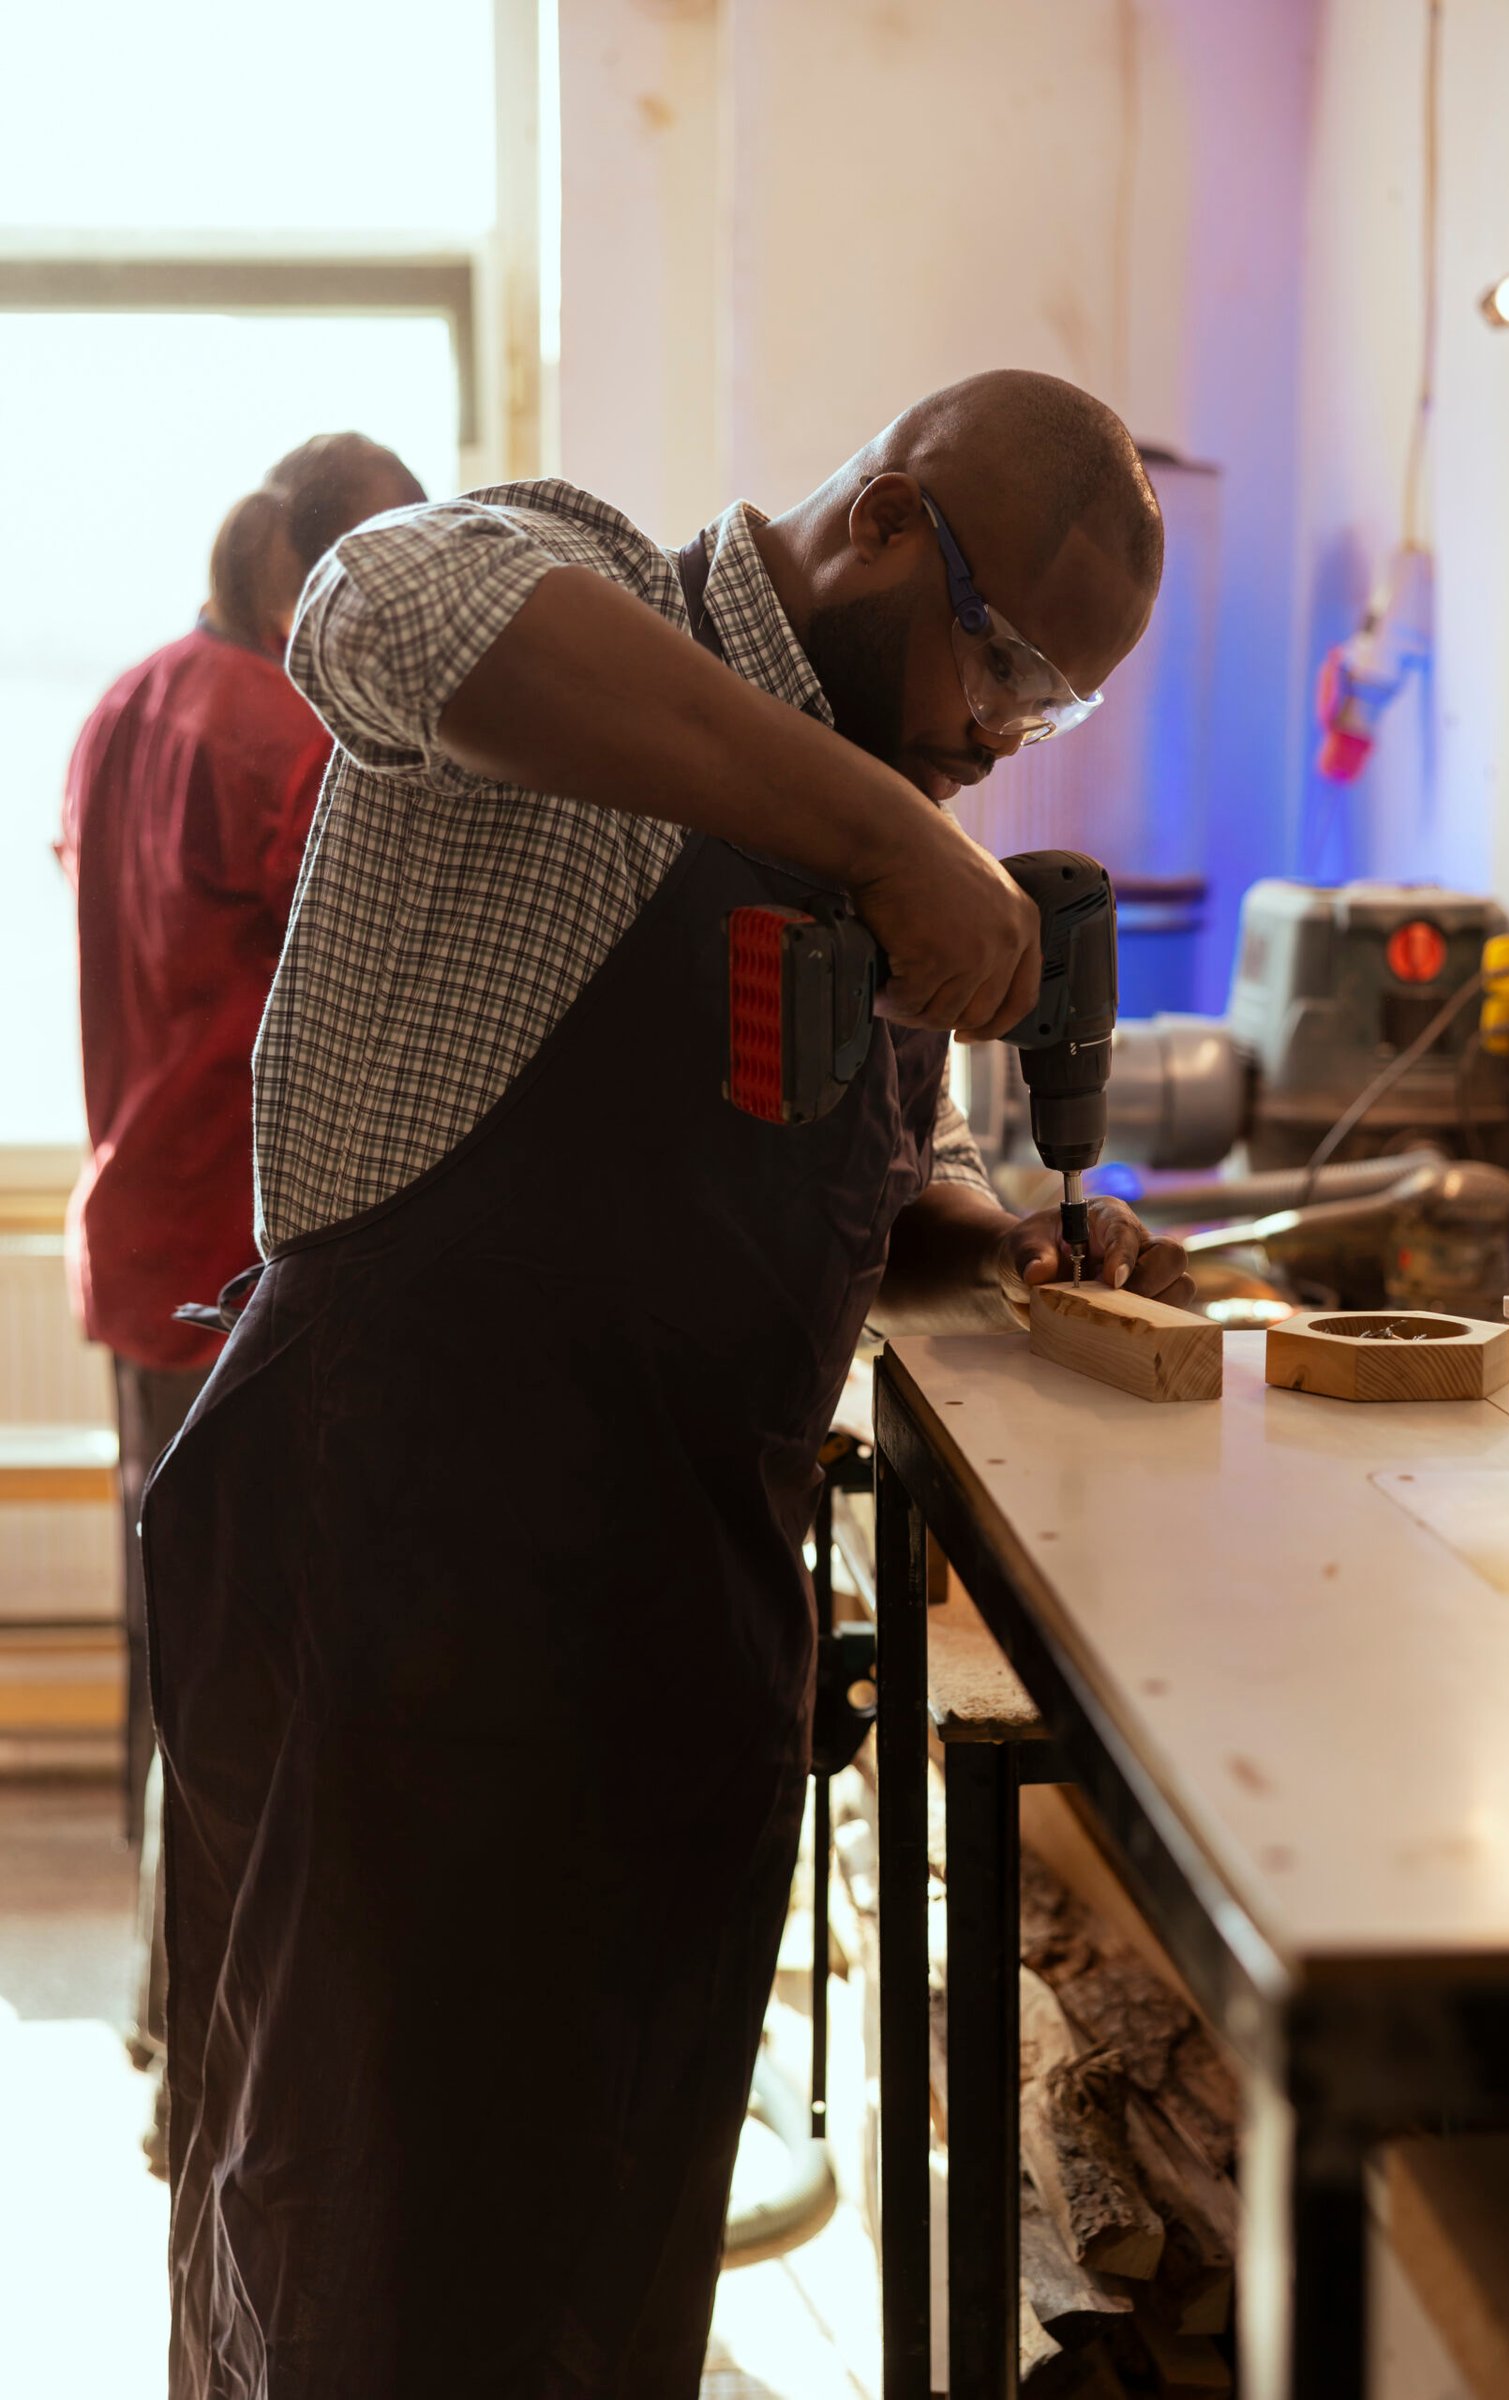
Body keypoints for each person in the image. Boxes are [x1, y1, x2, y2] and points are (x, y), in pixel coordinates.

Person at [145, 369, 1193, 2395]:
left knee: (588, 2304)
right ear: (883, 519)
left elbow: (834, 1178)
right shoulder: (571, 609)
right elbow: (376, 607)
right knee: (356, 2283)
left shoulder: (863, 849)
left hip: (649, 1693)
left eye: (1042, 708)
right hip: (403, 1666)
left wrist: (977, 1230)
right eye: (996, 666)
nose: (990, 737)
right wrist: (883, 828)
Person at [57, 431, 426, 2135]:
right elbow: (372, 961)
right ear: (329, 572)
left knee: (176, 1655)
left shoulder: (125, 703)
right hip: (240, 1254)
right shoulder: (288, 735)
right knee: (254, 1680)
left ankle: (170, 2029)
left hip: (139, 1229)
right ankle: (216, 2064)